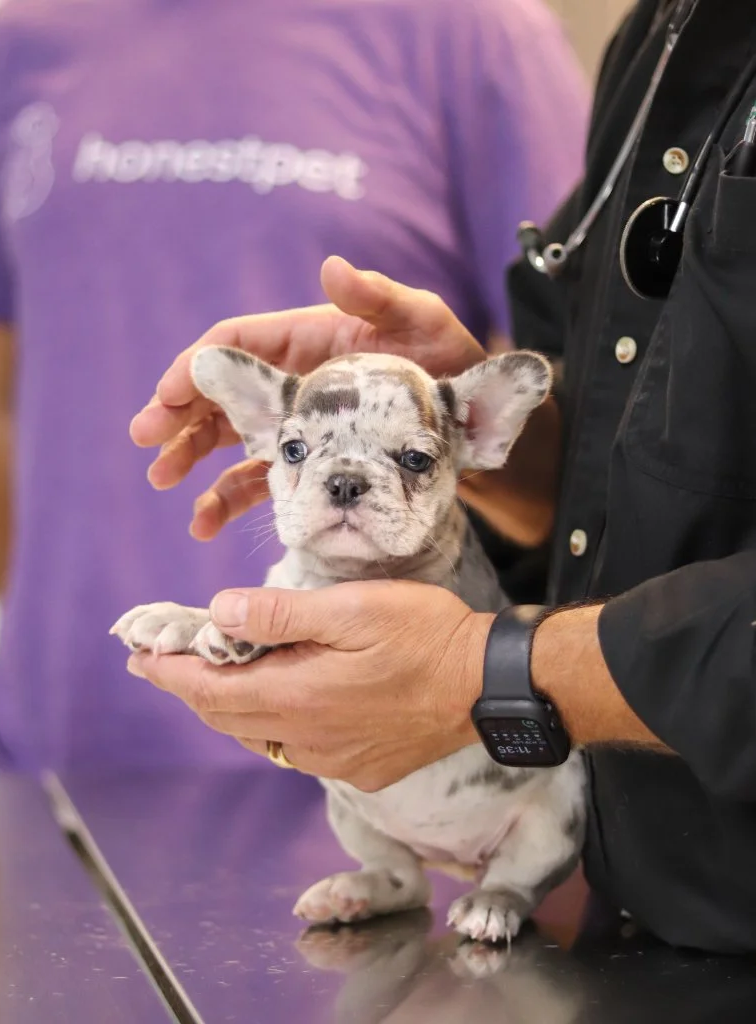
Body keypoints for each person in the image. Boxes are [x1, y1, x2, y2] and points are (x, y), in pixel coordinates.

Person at [126, 0, 756, 953]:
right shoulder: (659, 35)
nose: (339, 485)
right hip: (633, 910)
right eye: (300, 455)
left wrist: (487, 673)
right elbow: (628, 465)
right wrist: (454, 424)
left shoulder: (487, 34)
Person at [0, 0, 588, 773]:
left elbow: (577, 430)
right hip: (65, 751)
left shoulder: (479, 34)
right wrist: (47, 655)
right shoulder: (21, 39)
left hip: (371, 766)